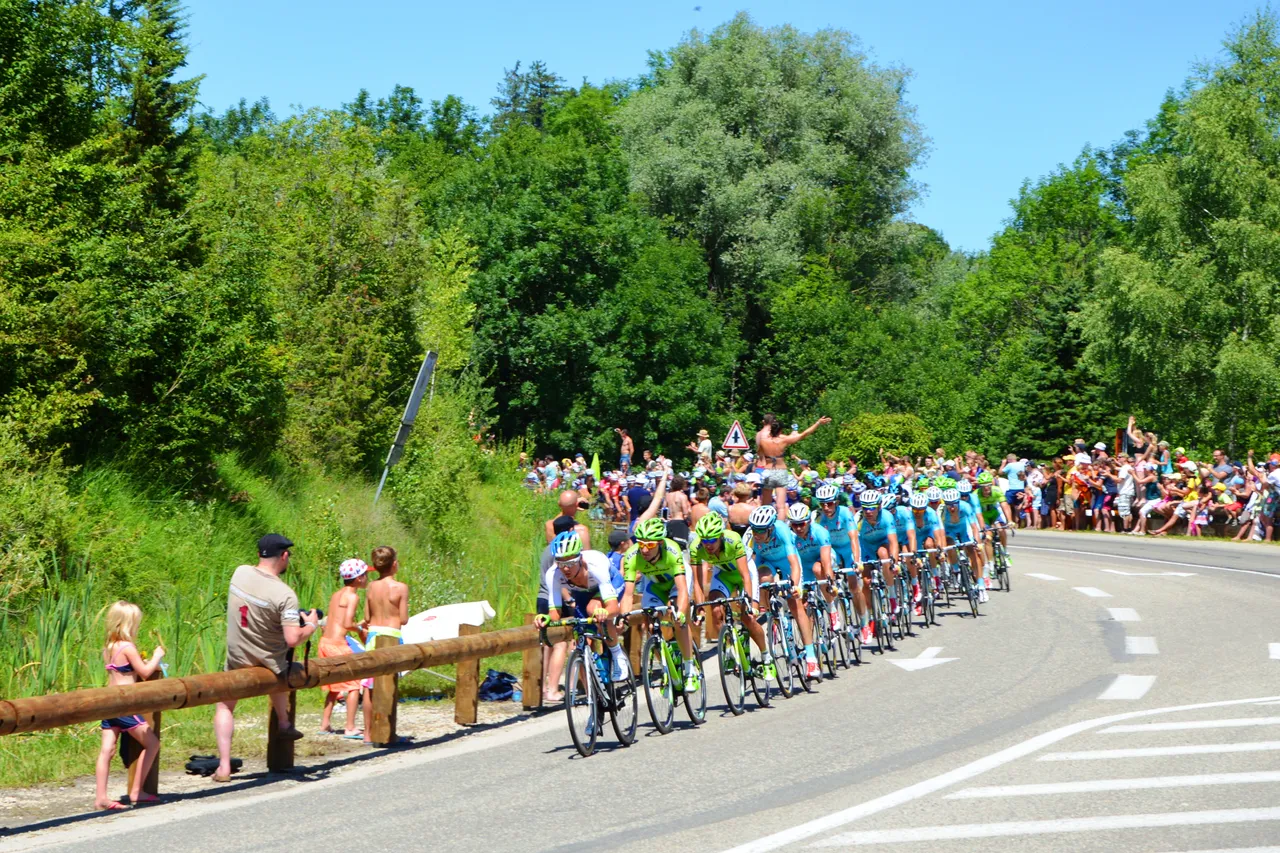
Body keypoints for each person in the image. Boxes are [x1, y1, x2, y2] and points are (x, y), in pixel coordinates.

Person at [216, 534, 316, 783]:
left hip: (238, 656)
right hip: (270, 662)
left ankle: (225, 767)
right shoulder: (285, 595)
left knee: (224, 706)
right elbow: (292, 639)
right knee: (282, 670)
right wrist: (311, 625)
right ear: (283, 556)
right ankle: (284, 723)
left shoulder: (240, 573)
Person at [95, 601, 164, 811]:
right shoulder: (127, 647)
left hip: (109, 702)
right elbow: (144, 672)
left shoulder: (109, 647)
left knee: (107, 750)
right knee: (152, 744)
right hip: (125, 704)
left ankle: (101, 797)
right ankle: (137, 791)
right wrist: (156, 656)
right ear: (128, 624)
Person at [620, 518, 700, 691]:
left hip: (676, 582)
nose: (644, 549)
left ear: (660, 543)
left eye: (649, 545)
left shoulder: (672, 550)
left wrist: (680, 613)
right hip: (655, 585)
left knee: (678, 619)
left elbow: (682, 589)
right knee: (650, 624)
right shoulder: (632, 556)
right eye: (641, 544)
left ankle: (689, 669)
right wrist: (624, 618)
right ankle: (667, 669)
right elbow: (628, 594)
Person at [534, 533, 628, 679]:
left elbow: (614, 608)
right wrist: (545, 617)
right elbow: (555, 613)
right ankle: (594, 692)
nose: (566, 569)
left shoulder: (596, 565)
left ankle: (617, 655)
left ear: (580, 559)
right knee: (582, 642)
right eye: (561, 563)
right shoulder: (553, 574)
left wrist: (605, 613)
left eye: (571, 562)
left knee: (593, 609)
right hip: (582, 593)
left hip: (611, 583)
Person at [746, 504, 818, 679]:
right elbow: (746, 567)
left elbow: (794, 564)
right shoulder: (749, 536)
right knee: (762, 578)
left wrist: (795, 586)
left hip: (786, 560)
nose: (757, 534)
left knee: (795, 603)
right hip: (765, 561)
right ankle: (772, 616)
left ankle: (811, 657)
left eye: (761, 531)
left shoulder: (782, 531)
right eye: (755, 530)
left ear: (771, 529)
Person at [319, 559, 371, 741]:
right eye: (366, 574)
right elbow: (348, 624)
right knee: (354, 685)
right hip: (338, 644)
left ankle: (325, 724)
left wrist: (357, 625)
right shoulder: (353, 597)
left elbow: (338, 621)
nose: (368, 578)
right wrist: (361, 629)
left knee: (334, 685)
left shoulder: (337, 594)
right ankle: (350, 727)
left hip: (325, 641)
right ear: (358, 579)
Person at [755, 414, 832, 512]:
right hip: (780, 470)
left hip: (768, 470)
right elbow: (804, 434)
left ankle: (763, 524)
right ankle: (781, 526)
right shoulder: (784, 440)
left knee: (765, 503)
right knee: (781, 506)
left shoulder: (763, 441)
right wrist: (818, 423)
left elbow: (759, 453)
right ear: (780, 430)